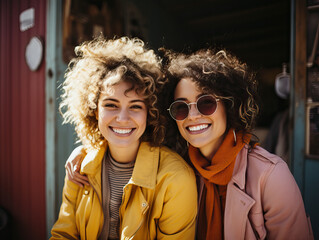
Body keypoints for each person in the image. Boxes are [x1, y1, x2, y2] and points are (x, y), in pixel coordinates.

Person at [67, 47, 314, 240]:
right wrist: (85, 151)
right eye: (181, 107)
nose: (193, 115)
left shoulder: (270, 176)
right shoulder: (180, 164)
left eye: (206, 103)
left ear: (228, 105)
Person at [50, 37, 197, 240]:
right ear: (94, 110)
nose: (122, 118)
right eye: (111, 104)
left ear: (150, 113)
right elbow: (63, 235)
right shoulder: (79, 168)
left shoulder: (176, 178)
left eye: (136, 106)